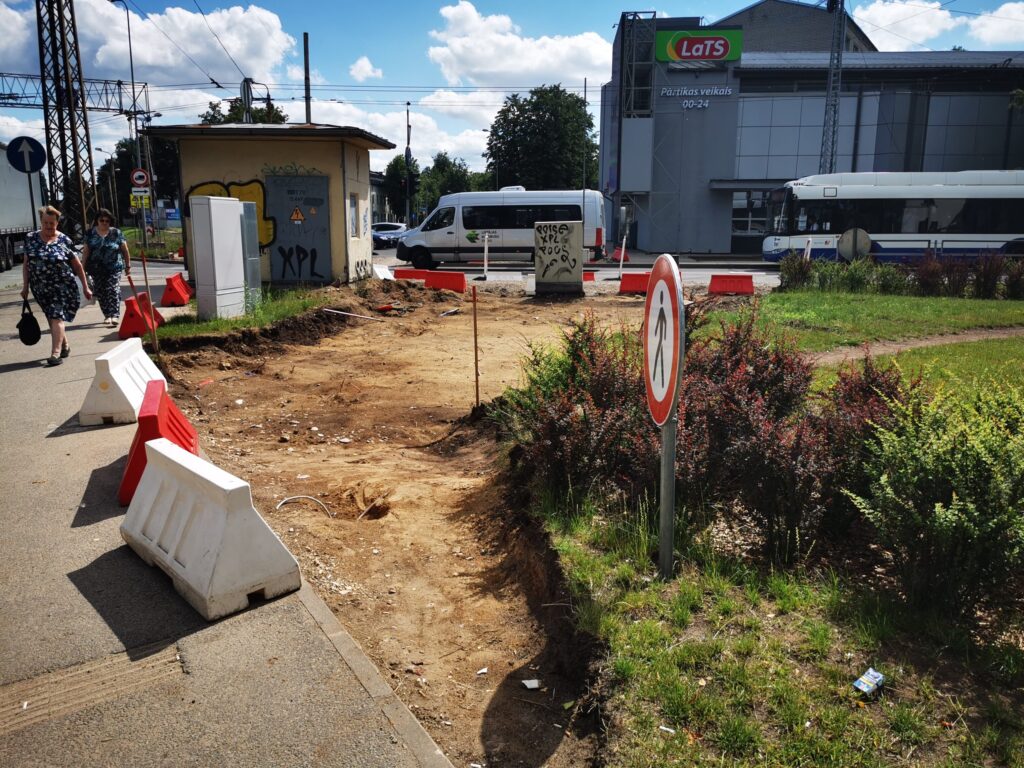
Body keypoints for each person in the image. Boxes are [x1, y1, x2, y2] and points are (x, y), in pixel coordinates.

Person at [20, 205, 92, 366]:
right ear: (41, 222)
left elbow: (78, 266)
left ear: (57, 223)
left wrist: (86, 287)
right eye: (45, 223)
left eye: (52, 223)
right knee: (51, 316)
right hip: (40, 288)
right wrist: (25, 287)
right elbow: (26, 264)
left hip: (62, 286)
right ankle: (65, 345)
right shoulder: (30, 238)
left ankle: (55, 353)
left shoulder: (64, 240)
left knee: (56, 315)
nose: (48, 226)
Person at [81, 208, 131, 327]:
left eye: (107, 221)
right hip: (96, 268)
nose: (104, 223)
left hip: (114, 267)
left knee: (112, 288)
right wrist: (82, 268)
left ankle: (114, 315)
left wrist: (128, 265)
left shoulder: (116, 233)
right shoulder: (90, 233)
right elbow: (86, 252)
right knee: (100, 292)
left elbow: (125, 250)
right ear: (97, 220)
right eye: (101, 220)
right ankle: (107, 315)